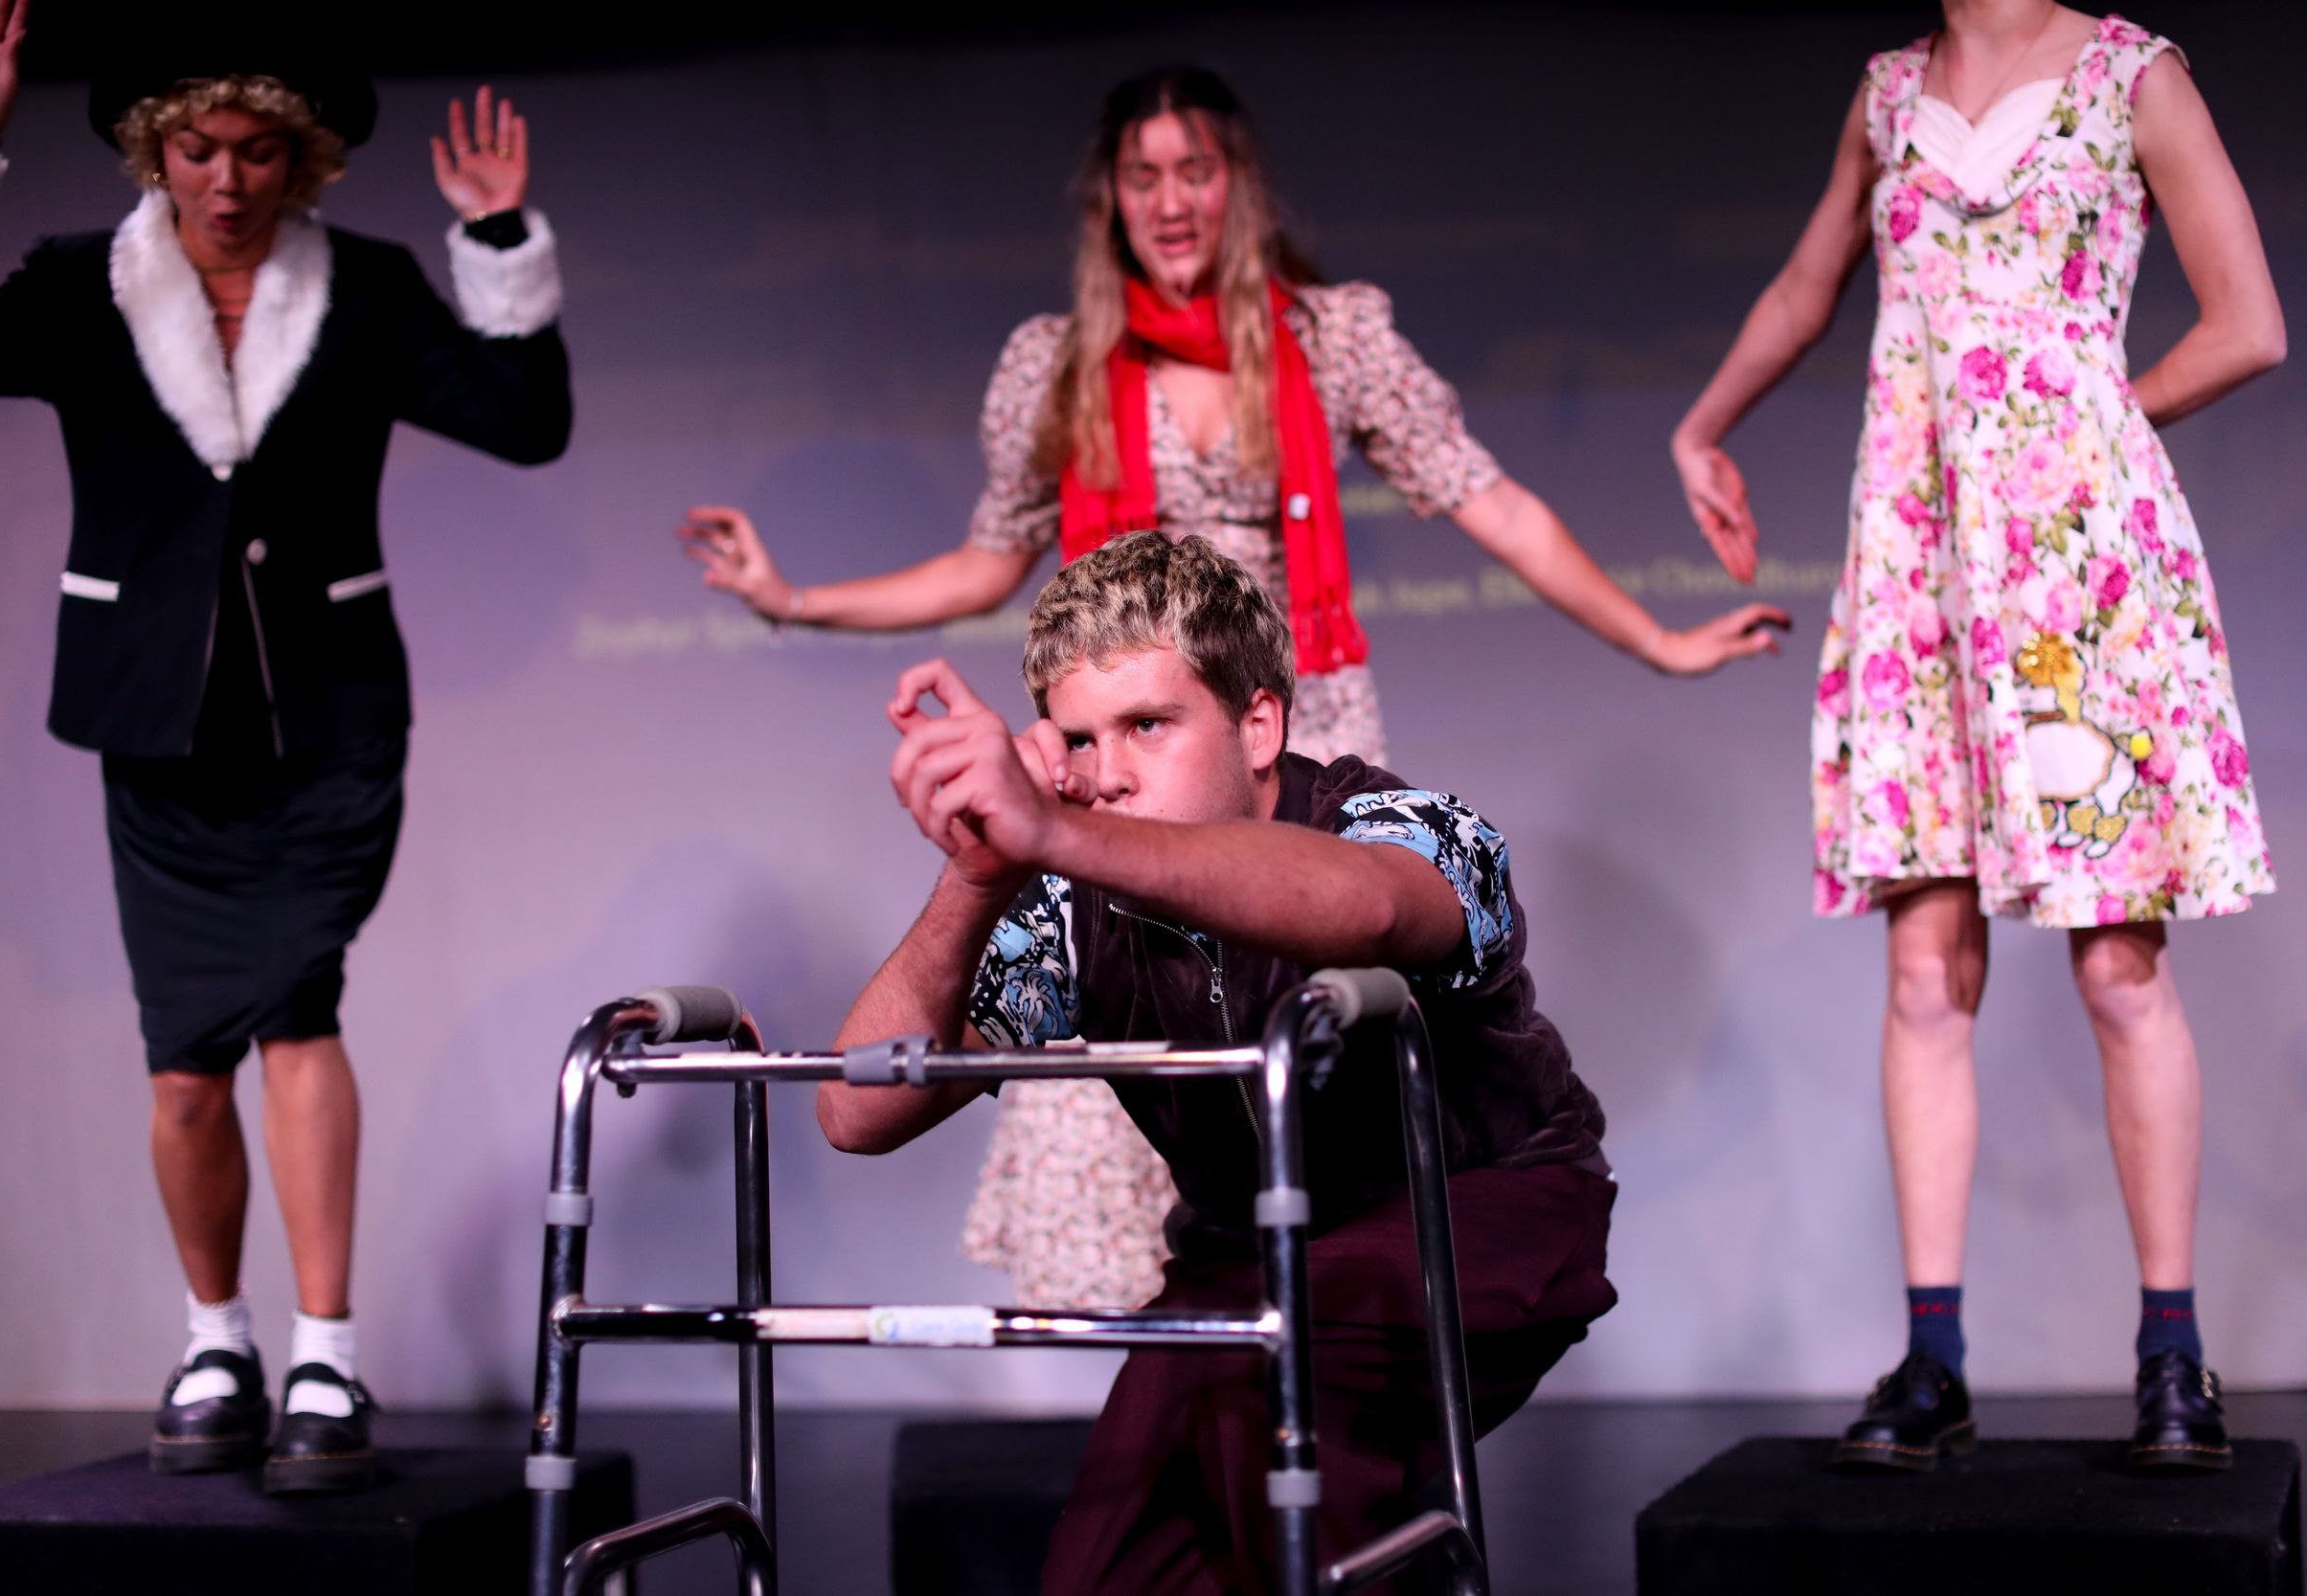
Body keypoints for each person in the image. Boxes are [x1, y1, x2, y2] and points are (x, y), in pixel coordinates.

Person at [684, 64, 1782, 1312]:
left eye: (1194, 171)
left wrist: (1658, 640)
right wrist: (791, 597)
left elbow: (1498, 504)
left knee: (1317, 1069)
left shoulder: (1329, 337)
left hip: (1275, 736)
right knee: (1121, 1062)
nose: (1170, 201)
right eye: (1142, 175)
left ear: (1236, 183)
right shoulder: (1056, 364)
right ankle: (1184, 1354)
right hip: (1129, 748)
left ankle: (1343, 1313)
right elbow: (986, 563)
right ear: (1109, 198)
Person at [0, 4, 572, 1492]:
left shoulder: (367, 288)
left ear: (303, 160)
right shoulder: (85, 286)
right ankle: (217, 1337)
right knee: (184, 1074)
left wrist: (499, 239)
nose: (227, 180)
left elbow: (526, 422)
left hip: (328, 729)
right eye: (200, 149)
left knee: (296, 1009)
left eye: (259, 151)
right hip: (159, 737)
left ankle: (326, 1349)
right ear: (158, 153)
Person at [1669, 3, 2282, 1472]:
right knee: (1923, 964)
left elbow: (2249, 322)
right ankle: (1933, 1358)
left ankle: (2173, 1351)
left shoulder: (2134, 76)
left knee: (2119, 966)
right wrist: (1703, 426)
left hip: (2078, 564)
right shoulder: (1888, 92)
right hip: (1922, 566)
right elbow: (1807, 286)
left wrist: (2090, 425)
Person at [819, 530, 1617, 1593]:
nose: (1105, 775)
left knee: (1273, 1394)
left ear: (1258, 725)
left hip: (1486, 1209)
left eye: (1147, 725)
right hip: (1246, 1254)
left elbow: (1369, 909)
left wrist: (1055, 838)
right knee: (1102, 1575)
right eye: (1077, 738)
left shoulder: (1406, 824)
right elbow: (855, 1109)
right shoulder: (1072, 904)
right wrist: (978, 874)